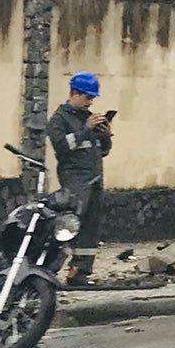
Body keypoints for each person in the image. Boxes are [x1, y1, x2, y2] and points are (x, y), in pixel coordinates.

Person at [47, 71, 113, 285]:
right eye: (87, 97)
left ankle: (79, 271)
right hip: (74, 180)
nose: (90, 102)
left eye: (92, 98)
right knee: (67, 227)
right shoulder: (59, 119)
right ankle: (48, 271)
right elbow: (62, 147)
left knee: (90, 227)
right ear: (74, 93)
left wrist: (105, 135)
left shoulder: (89, 118)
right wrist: (85, 130)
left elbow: (102, 151)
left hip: (94, 179)